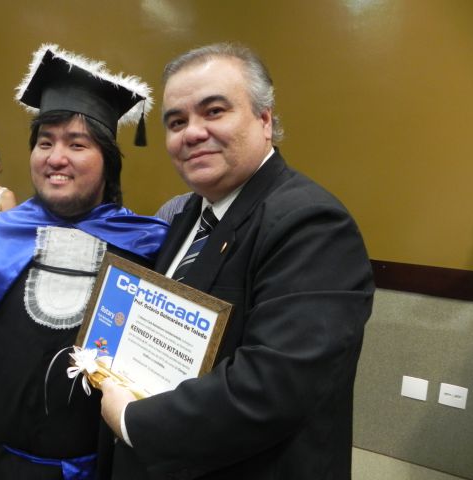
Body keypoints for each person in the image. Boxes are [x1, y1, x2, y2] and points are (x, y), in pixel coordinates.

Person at [100, 42, 375, 480]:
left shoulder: (313, 224)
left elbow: (273, 387)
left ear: (265, 120)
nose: (192, 133)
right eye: (176, 121)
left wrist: (134, 421)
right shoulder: (189, 214)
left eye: (214, 111)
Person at [0, 44, 168, 480]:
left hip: (106, 466)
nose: (56, 157)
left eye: (77, 144)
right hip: (0, 461)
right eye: (45, 142)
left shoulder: (146, 246)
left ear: (108, 162)